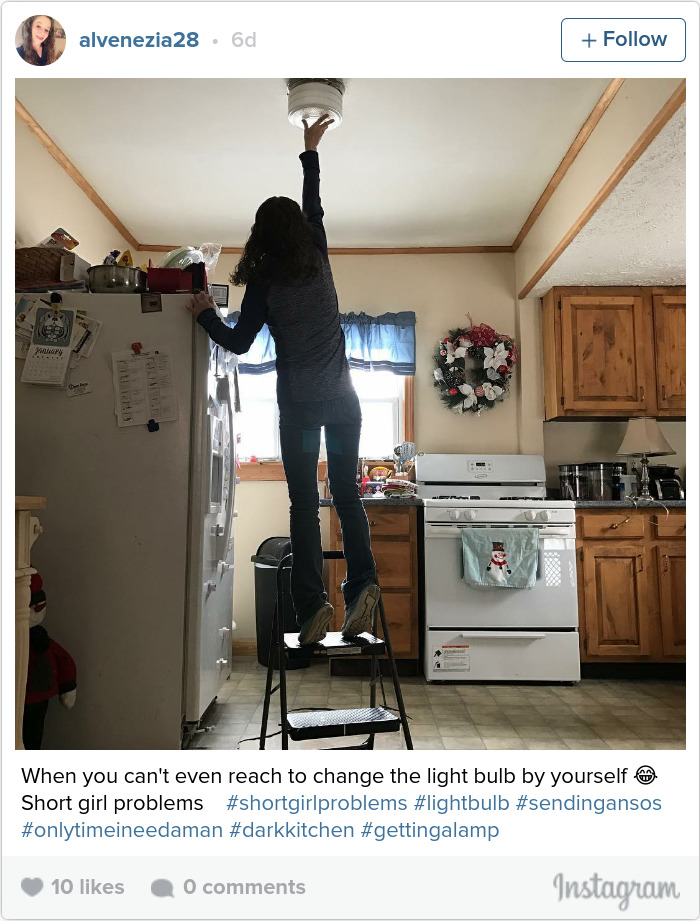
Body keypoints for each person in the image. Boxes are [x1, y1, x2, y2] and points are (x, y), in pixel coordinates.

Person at [187, 115, 380, 646]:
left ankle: (314, 604)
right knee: (347, 497)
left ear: (259, 238)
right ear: (299, 229)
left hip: (300, 408)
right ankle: (363, 587)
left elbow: (239, 343)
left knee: (302, 504)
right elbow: (313, 200)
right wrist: (309, 148)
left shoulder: (264, 282)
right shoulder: (317, 252)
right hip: (345, 402)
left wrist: (205, 312)